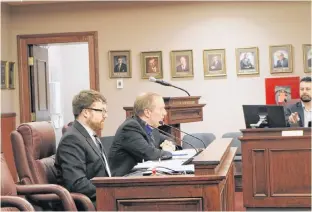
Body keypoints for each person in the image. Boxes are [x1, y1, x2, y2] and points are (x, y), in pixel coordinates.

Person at [55, 89, 110, 206]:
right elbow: (77, 184)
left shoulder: (90, 135)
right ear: (86, 112)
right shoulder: (72, 139)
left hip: (102, 198)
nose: (106, 115)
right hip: (89, 203)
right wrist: (111, 193)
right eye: (102, 111)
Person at [109, 92, 175, 176]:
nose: (165, 113)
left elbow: (168, 139)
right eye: (161, 109)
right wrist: (167, 151)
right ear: (147, 112)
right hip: (125, 180)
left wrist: (170, 144)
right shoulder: (130, 127)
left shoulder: (150, 128)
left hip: (141, 175)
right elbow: (149, 154)